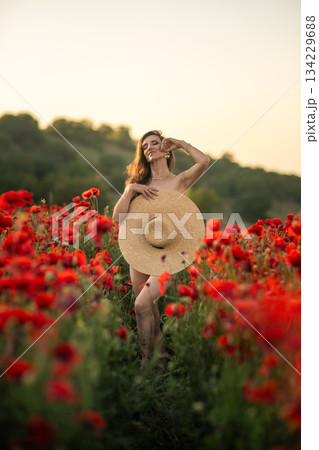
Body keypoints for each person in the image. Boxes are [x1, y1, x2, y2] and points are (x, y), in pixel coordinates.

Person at [112, 130, 210, 369]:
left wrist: (181, 143)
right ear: (143, 154)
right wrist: (130, 190)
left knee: (141, 305)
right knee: (149, 309)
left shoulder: (179, 180)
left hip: (171, 251)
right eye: (145, 146)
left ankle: (147, 365)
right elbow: (117, 218)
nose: (149, 148)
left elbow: (204, 161)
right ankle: (162, 363)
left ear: (166, 150)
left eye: (154, 143)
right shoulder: (139, 184)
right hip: (142, 249)